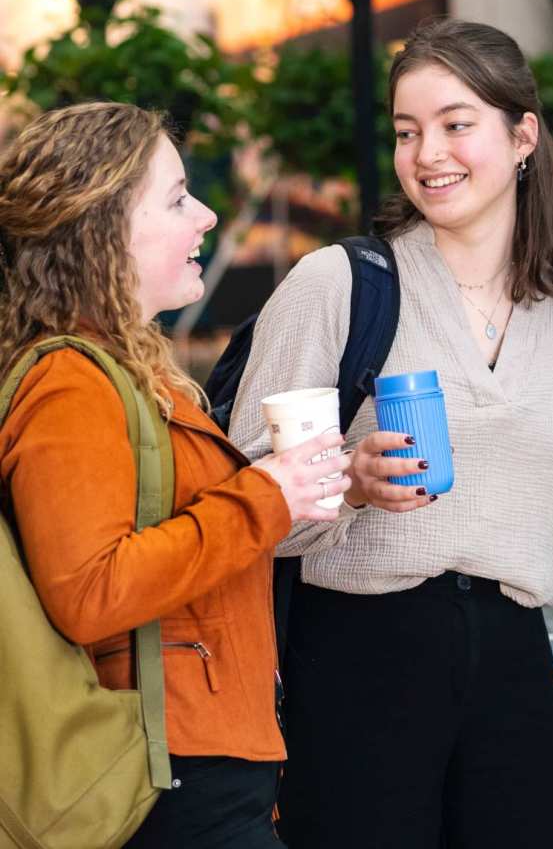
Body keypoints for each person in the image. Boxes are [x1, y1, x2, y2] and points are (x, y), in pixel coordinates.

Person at [229, 17, 553, 849]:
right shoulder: (338, 285)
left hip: (510, 650)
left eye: (457, 124)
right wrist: (349, 482)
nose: (429, 153)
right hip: (358, 652)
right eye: (406, 131)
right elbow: (242, 499)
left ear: (524, 134)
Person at [0, 102, 353, 848]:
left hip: (203, 761)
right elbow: (90, 591)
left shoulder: (131, 375)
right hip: (167, 773)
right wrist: (268, 494)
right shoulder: (71, 381)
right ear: (102, 230)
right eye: (176, 198)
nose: (206, 215)